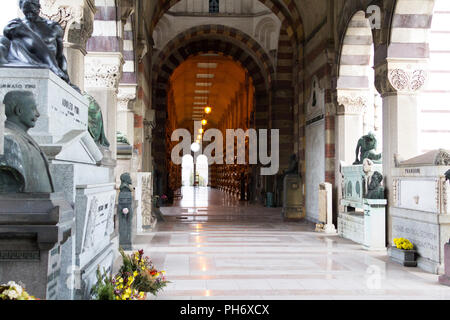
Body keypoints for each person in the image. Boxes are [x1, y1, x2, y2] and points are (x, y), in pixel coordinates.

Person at [0, 0, 76, 89]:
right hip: (20, 59)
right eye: (26, 11)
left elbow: (60, 55)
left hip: (46, 63)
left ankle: (53, 67)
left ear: (38, 7)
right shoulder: (15, 24)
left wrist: (66, 78)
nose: (29, 15)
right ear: (21, 7)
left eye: (31, 10)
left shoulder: (52, 27)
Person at [0, 90, 54, 193]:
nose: (38, 114)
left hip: (40, 206)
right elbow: (8, 194)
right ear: (19, 111)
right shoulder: (8, 139)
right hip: (23, 207)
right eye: (33, 109)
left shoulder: (21, 137)